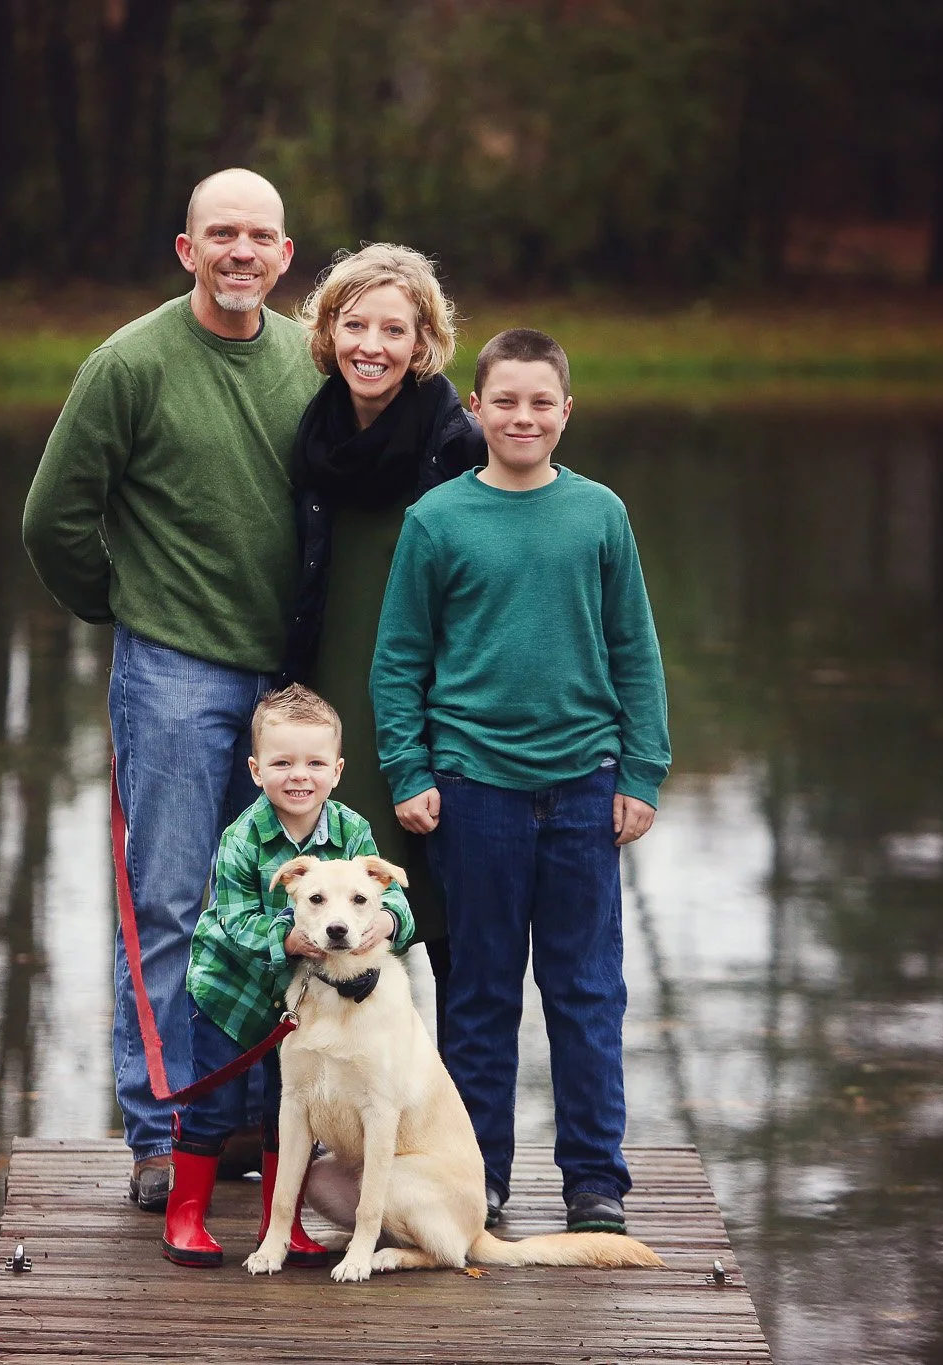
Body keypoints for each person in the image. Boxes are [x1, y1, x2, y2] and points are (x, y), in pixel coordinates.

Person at [21, 168, 322, 1212]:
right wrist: (126, 605)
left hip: (290, 688)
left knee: (279, 903)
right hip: (174, 676)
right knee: (168, 905)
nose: (242, 253)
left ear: (285, 258)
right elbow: (53, 517)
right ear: (186, 250)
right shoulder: (130, 364)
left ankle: (244, 1122)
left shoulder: (307, 360)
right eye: (220, 235)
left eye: (261, 238)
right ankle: (160, 1134)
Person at [369, 327, 671, 1237]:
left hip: (585, 786)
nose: (523, 416)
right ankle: (481, 1175)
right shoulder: (438, 520)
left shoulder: (599, 514)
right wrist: (409, 767)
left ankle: (594, 1182)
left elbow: (636, 650)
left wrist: (643, 769)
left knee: (587, 990)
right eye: (505, 400)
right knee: (482, 991)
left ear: (566, 411)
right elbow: (400, 659)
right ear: (476, 408)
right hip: (474, 790)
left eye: (541, 402)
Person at [281, 243, 483, 1046]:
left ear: (422, 339)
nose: (371, 344)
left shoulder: (457, 442)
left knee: (445, 918)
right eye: (353, 323)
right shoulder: (315, 428)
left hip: (432, 702)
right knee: (339, 922)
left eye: (393, 329)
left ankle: (464, 1135)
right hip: (331, 692)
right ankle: (332, 1129)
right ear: (328, 331)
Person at [163, 684, 417, 1267]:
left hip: (308, 1006)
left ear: (337, 770)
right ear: (255, 770)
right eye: (281, 763)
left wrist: (388, 924)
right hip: (233, 993)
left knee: (293, 1106)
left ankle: (281, 1228)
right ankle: (186, 1216)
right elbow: (233, 920)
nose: (298, 775)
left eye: (314, 763)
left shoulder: (352, 833)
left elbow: (389, 896)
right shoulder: (241, 838)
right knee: (217, 1107)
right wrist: (289, 938)